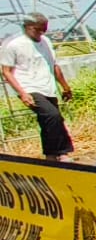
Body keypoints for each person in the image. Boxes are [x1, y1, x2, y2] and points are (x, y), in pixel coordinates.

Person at [1, 13, 74, 161]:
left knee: (46, 121)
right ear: (28, 27)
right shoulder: (14, 45)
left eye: (44, 30)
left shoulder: (46, 41)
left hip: (48, 86)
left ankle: (50, 156)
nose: (41, 33)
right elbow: (6, 72)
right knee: (53, 116)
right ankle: (62, 153)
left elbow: (53, 65)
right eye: (38, 30)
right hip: (29, 88)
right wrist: (22, 93)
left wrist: (66, 87)